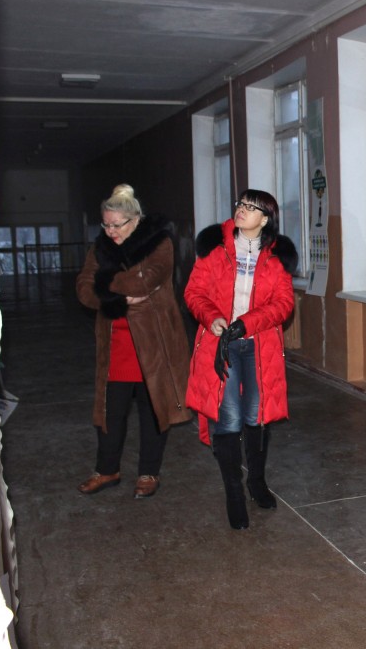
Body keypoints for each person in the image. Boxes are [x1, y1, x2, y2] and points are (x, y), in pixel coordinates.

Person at [185, 190, 297, 530]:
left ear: (265, 219)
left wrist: (246, 324)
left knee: (256, 416)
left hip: (259, 345)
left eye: (251, 207)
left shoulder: (276, 256)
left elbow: (283, 304)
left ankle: (257, 482)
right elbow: (194, 293)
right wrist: (213, 319)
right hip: (221, 345)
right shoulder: (214, 248)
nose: (242, 210)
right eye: (241, 204)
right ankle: (234, 493)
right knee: (229, 417)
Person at [76, 184, 192, 498]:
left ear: (135, 219)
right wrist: (117, 298)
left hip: (153, 343)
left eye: (117, 225)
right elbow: (84, 288)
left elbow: (147, 280)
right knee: (109, 412)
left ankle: (148, 473)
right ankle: (107, 470)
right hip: (114, 344)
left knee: (153, 411)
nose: (110, 231)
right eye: (106, 225)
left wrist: (104, 284)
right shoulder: (101, 248)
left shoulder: (159, 243)